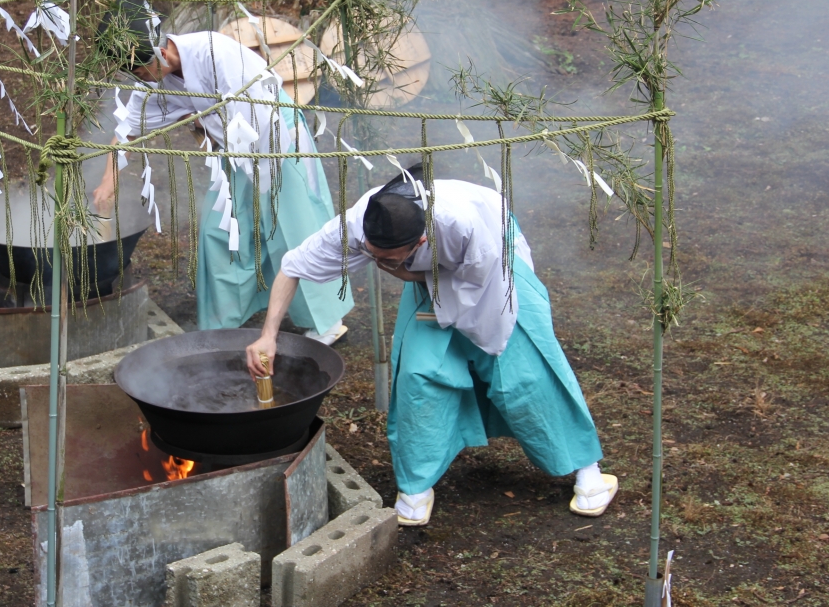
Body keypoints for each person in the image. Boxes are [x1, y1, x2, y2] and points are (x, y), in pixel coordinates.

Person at [245, 165, 616, 526]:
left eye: (384, 259)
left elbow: (477, 290)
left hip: (493, 267)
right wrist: (268, 335)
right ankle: (416, 486)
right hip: (427, 273)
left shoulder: (463, 223)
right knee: (420, 374)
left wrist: (409, 274)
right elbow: (292, 267)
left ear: (420, 242)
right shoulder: (358, 224)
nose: (376, 263)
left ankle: (588, 471)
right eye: (370, 254)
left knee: (523, 372)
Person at [94, 0, 353, 343]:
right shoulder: (157, 79)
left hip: (274, 139)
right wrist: (106, 182)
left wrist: (259, 177)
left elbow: (257, 115)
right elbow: (128, 128)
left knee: (289, 228)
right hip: (234, 150)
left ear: (159, 48)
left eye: (139, 67)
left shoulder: (214, 52)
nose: (139, 76)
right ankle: (224, 324)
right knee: (220, 232)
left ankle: (325, 323)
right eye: (133, 72)